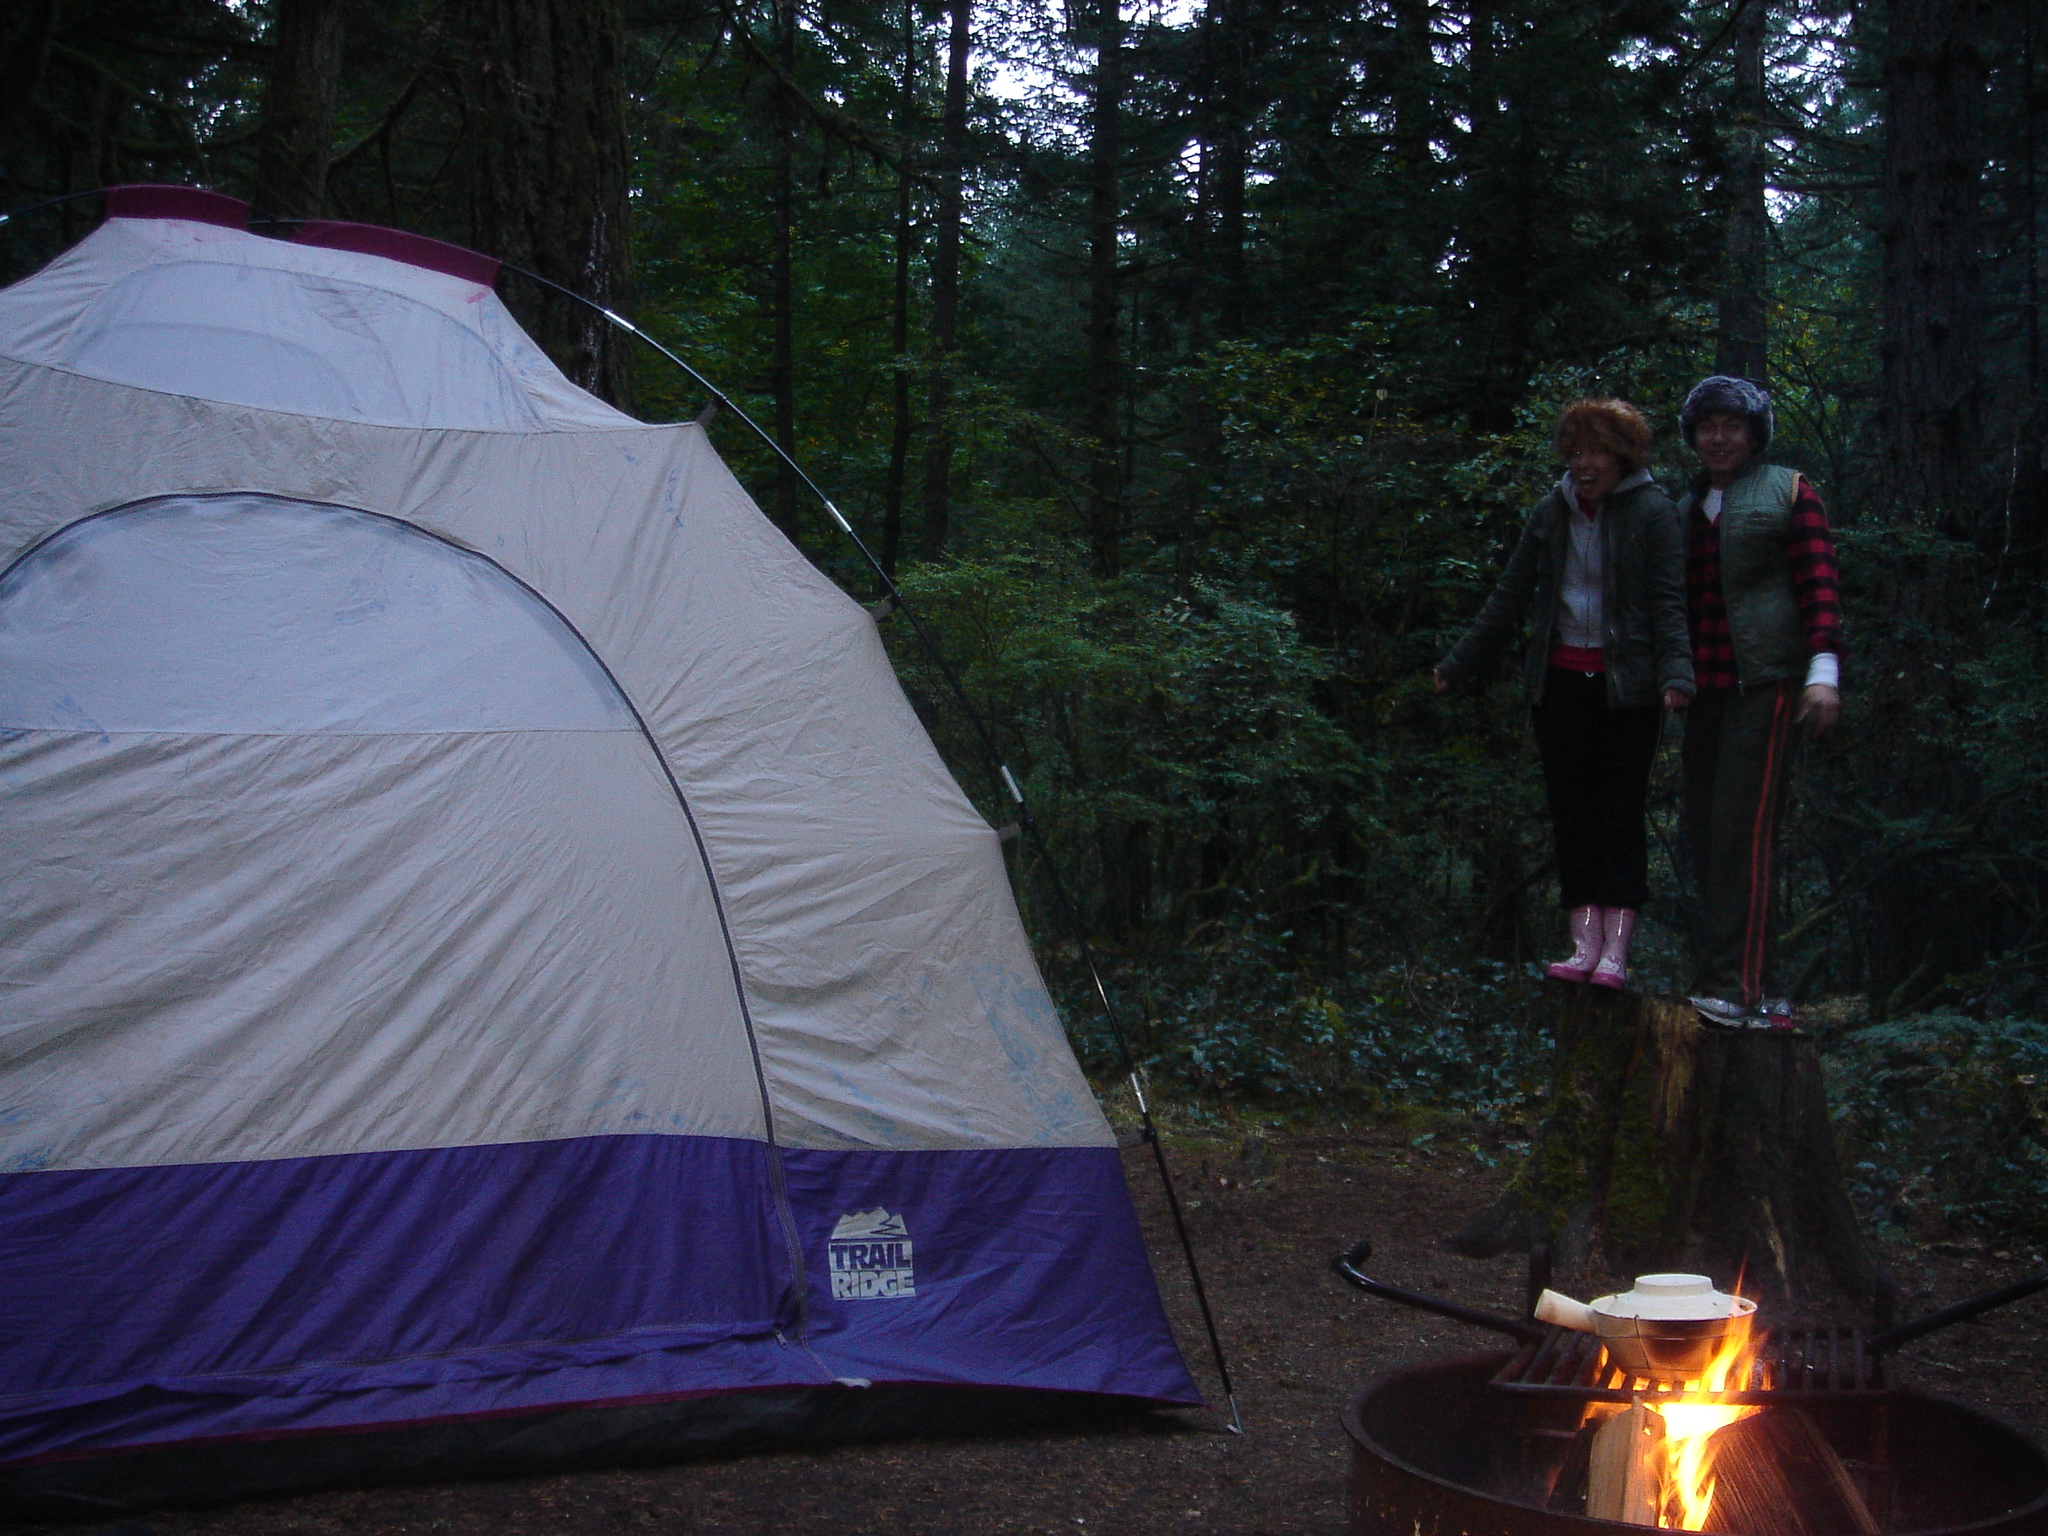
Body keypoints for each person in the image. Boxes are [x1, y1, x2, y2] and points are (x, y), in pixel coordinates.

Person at [1434, 399, 1694, 989]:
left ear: (1622, 456)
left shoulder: (1653, 512)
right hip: (1558, 683)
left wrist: (1676, 676)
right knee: (1571, 813)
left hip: (1627, 689)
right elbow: (1510, 595)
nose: (1584, 464)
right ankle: (1583, 945)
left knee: (1619, 813)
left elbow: (1667, 600)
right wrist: (1457, 664)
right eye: (1575, 452)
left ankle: (1617, 951)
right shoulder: (1552, 513)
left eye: (1597, 451)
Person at [1674, 376, 1842, 1029]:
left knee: (1740, 834)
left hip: (1767, 686)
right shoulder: (1683, 505)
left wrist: (1822, 672)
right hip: (1704, 693)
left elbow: (1820, 584)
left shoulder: (1789, 490)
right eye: (1707, 426)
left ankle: (1732, 987)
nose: (1718, 438)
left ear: (1753, 434)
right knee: (1713, 837)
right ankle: (1766, 989)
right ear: (1693, 435)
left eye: (1731, 426)